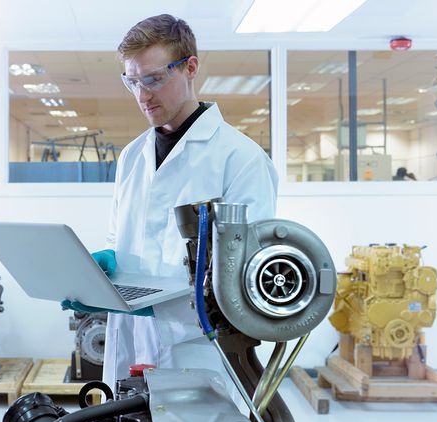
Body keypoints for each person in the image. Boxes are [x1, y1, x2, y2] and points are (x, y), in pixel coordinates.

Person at [62, 14, 278, 393]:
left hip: (197, 350)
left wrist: (159, 306)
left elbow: (244, 280)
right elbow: (122, 236)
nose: (142, 95)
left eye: (154, 79)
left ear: (190, 68)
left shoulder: (241, 159)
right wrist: (103, 269)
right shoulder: (132, 157)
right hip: (130, 343)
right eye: (132, 82)